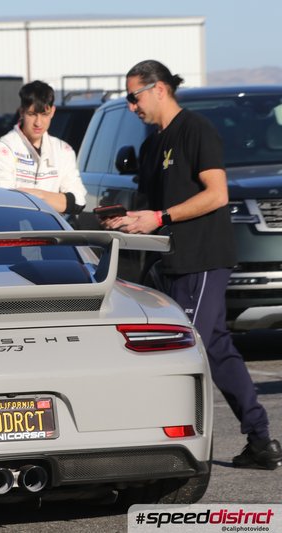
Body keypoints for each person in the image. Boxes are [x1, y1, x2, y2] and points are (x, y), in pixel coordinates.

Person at [102, 59, 281, 470]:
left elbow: (217, 194)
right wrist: (127, 220)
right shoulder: (151, 146)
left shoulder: (196, 130)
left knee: (186, 349)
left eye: (134, 97)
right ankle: (259, 440)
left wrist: (161, 217)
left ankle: (178, 448)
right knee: (213, 346)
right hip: (167, 262)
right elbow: (152, 211)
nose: (131, 106)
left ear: (159, 89)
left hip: (201, 259)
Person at [0, 80, 87, 216]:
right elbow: (2, 203)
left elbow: (78, 202)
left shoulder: (63, 150)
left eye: (44, 114)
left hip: (51, 229)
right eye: (32, 114)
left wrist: (39, 195)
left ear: (53, 112)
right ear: (21, 112)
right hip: (12, 229)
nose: (38, 123)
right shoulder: (0, 151)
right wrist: (57, 200)